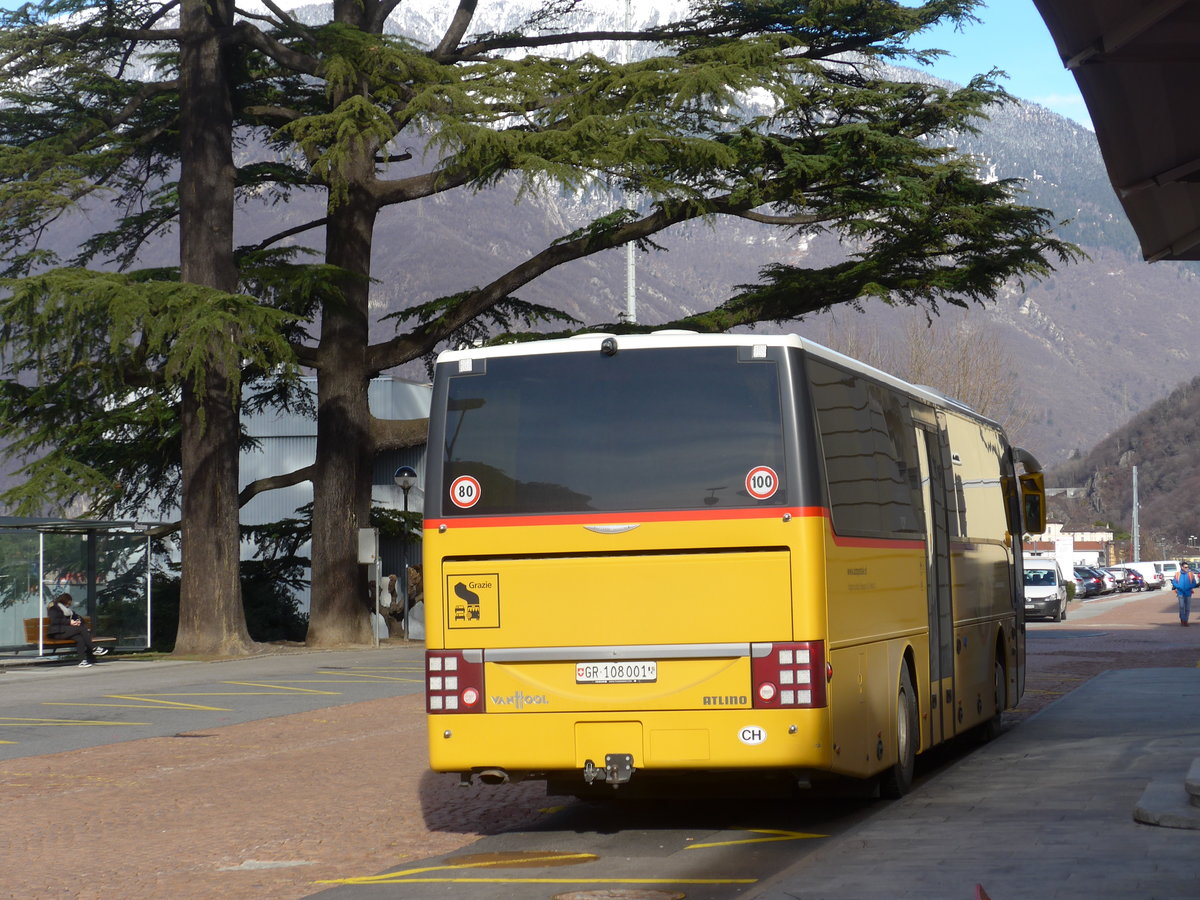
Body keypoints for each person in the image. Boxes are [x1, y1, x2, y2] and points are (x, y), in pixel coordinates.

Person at [46, 593, 107, 667]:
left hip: (66, 632)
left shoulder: (68, 611)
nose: (69, 604)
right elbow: (55, 620)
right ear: (64, 601)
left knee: (79, 638)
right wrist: (70, 622)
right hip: (57, 633)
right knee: (81, 628)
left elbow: (77, 617)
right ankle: (93, 648)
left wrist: (78, 621)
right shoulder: (54, 608)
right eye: (69, 602)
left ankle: (82, 661)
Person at [1171, 561, 1198, 626]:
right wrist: (1179, 587)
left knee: (1187, 608)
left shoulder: (1190, 574)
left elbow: (1194, 583)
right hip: (1180, 593)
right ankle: (1183, 620)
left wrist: (1189, 587)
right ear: (1182, 567)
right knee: (1181, 607)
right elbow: (1174, 582)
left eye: (1187, 567)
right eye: (1185, 567)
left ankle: (1185, 620)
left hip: (1188, 593)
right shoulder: (1177, 574)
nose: (1186, 568)